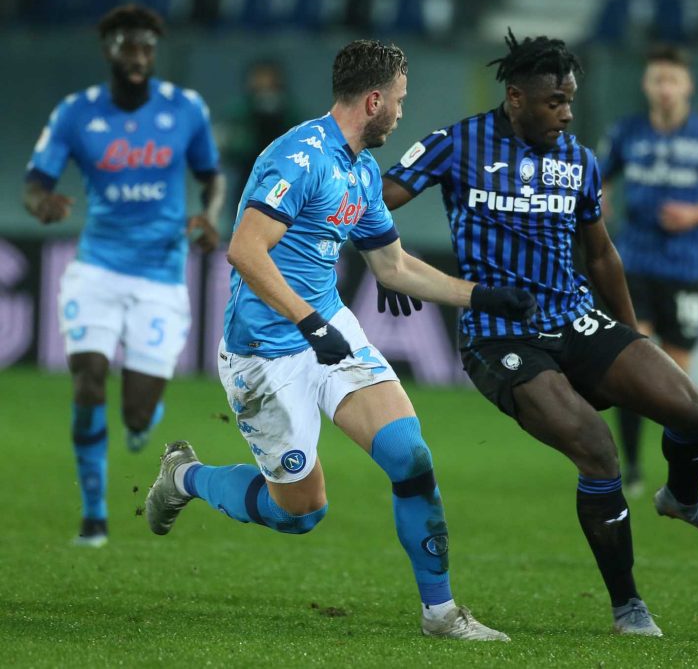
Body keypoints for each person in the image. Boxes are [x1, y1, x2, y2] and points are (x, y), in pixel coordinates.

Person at [144, 39, 533, 642]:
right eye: (399, 100)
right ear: (374, 101)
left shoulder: (362, 170)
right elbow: (245, 250)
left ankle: (440, 613)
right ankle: (185, 476)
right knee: (300, 513)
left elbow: (392, 266)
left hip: (327, 329)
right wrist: (308, 323)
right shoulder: (300, 158)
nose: (401, 113)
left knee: (410, 455)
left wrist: (480, 296)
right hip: (264, 352)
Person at [380, 31, 698, 638]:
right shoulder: (457, 143)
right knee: (598, 450)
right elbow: (377, 197)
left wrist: (628, 336)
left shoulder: (578, 158)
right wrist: (384, 258)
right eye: (555, 101)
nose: (567, 113)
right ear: (516, 97)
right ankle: (629, 607)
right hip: (500, 336)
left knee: (690, 410)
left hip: (575, 318)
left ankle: (682, 498)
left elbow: (600, 254)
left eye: (570, 100)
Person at [22, 4, 225, 548]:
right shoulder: (75, 113)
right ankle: (94, 517)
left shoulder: (185, 108)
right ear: (108, 49)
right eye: (128, 46)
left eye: (146, 47)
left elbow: (211, 177)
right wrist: (41, 204)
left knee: (136, 414)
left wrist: (210, 216)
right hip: (97, 268)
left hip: (161, 274)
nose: (138, 56)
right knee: (88, 377)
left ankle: (142, 420)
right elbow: (36, 182)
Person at [599, 45, 698, 493]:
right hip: (633, 264)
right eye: (657, 80)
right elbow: (596, 177)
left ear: (688, 86)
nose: (664, 88)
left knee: (675, 377)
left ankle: (677, 478)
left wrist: (697, 214)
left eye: (672, 80)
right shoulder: (627, 132)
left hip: (685, 268)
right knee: (634, 361)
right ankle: (631, 468)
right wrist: (600, 199)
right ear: (646, 86)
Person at [220, 59, 303, 202]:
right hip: (248, 179)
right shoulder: (241, 112)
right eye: (259, 80)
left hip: (283, 181)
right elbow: (231, 149)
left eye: (269, 81)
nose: (264, 86)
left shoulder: (290, 112)